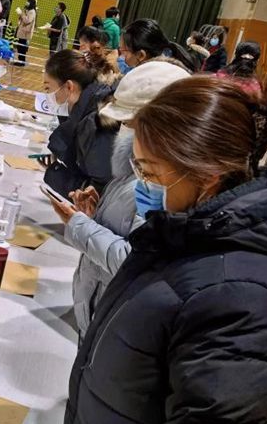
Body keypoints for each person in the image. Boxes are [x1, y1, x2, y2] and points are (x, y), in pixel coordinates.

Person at [63, 75, 267, 424]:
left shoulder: (244, 296)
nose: (142, 185)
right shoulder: (184, 236)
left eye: (149, 172)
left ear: (208, 175)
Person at [47, 60, 190, 340]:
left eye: (131, 124)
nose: (125, 129)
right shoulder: (133, 166)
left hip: (114, 321)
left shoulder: (166, 184)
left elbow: (134, 259)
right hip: (97, 308)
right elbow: (127, 228)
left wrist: (79, 225)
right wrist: (95, 213)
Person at [42, 49, 120, 197]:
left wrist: (56, 175)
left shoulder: (98, 124)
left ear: (69, 87)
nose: (47, 96)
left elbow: (98, 193)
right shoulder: (89, 110)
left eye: (48, 88)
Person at [120, 18, 197, 73]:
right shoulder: (168, 68)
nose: (120, 57)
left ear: (141, 55)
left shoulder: (152, 80)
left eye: (123, 51)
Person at [14, 0, 36, 66]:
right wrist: (20, 14)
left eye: (28, 1)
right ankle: (20, 60)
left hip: (26, 33)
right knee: (19, 47)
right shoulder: (27, 10)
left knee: (22, 48)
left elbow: (27, 20)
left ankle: (22, 62)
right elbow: (23, 19)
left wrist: (22, 14)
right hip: (22, 31)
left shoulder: (32, 11)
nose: (27, 2)